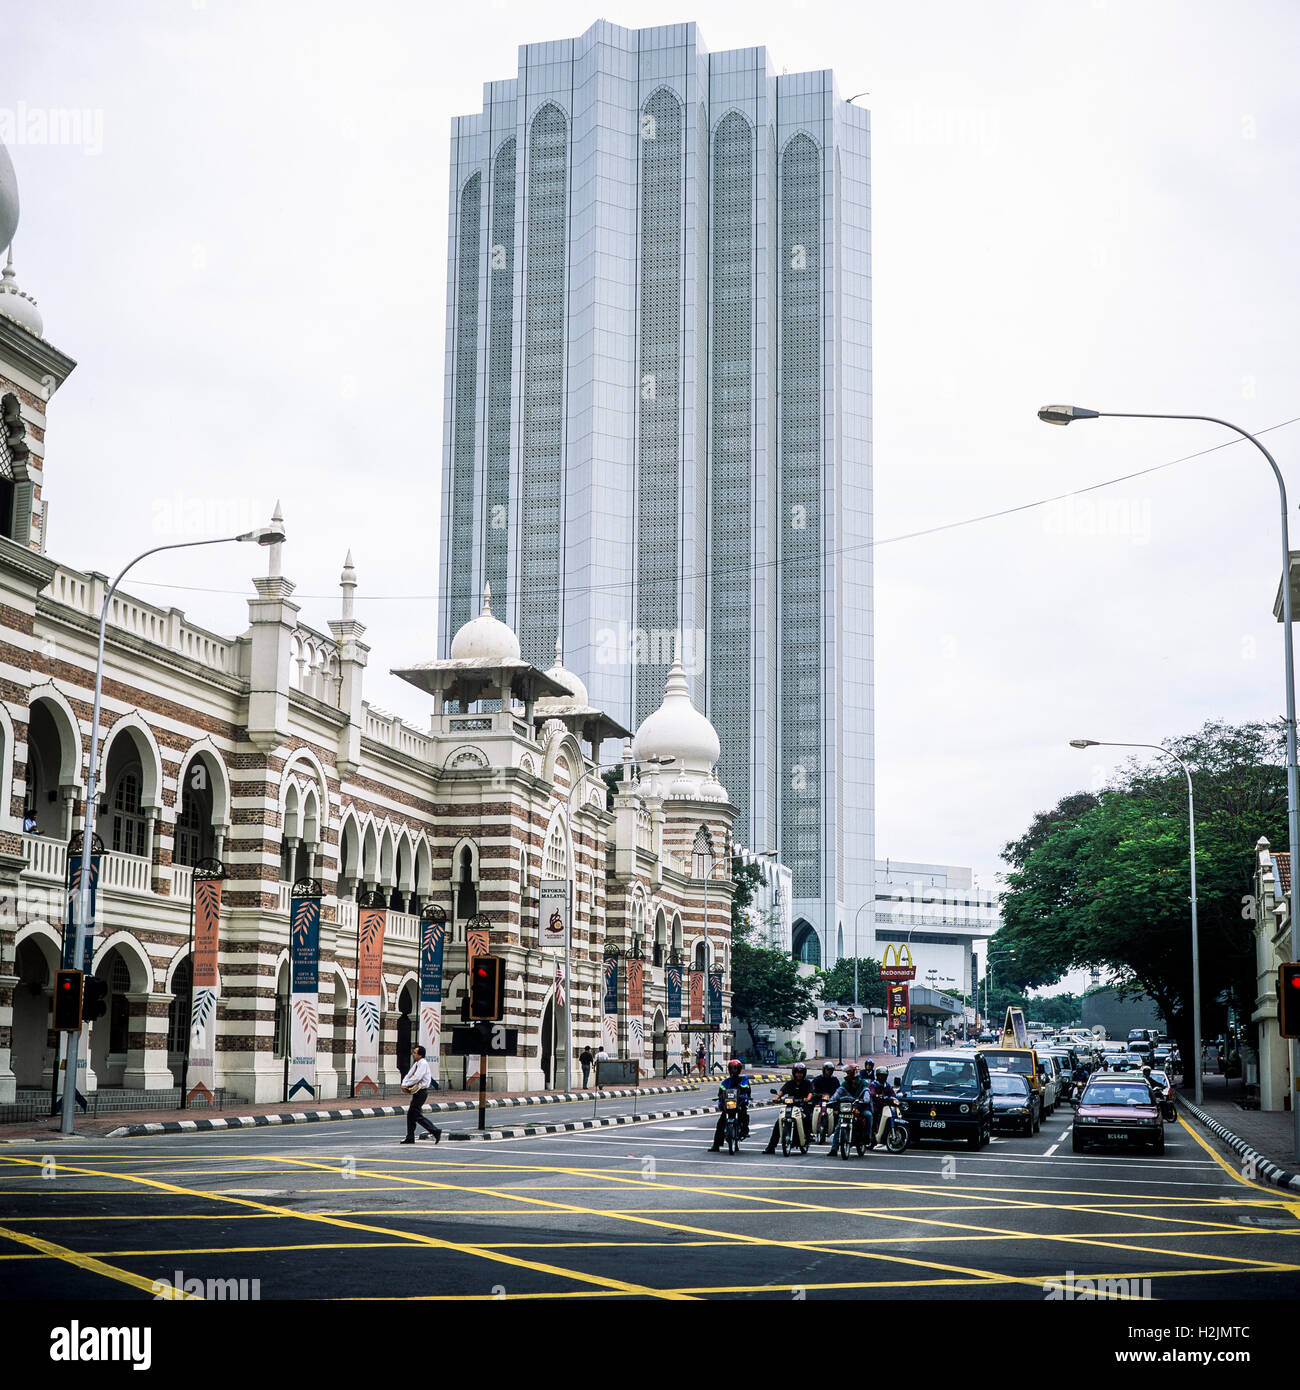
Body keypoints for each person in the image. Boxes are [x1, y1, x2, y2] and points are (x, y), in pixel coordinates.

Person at [763, 1062, 814, 1153]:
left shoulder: (807, 1083)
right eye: (797, 1072)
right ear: (794, 1073)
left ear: (804, 1073)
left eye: (801, 1072)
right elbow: (782, 1091)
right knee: (778, 1123)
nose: (799, 1074)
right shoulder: (790, 1083)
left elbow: (810, 1093)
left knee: (806, 1118)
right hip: (791, 1107)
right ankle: (771, 1147)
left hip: (802, 1106)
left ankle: (807, 1137)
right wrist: (776, 1098)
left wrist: (807, 1099)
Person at [398, 1044, 442, 1144]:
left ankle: (435, 1131)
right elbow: (409, 1074)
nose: (413, 1054)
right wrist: (404, 1084)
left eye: (415, 1053)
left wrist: (407, 1084)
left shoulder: (423, 1064)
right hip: (417, 1091)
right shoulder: (417, 1063)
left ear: (420, 1055)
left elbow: (417, 1077)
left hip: (421, 1092)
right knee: (411, 1114)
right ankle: (410, 1137)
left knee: (416, 1114)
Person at [827, 1063, 872, 1156]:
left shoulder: (863, 1083)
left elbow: (867, 1094)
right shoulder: (845, 1084)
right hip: (847, 1108)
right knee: (839, 1126)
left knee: (868, 1115)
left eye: (848, 1073)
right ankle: (834, 1149)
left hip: (860, 1108)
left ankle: (867, 1137)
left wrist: (864, 1100)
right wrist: (831, 1100)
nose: (846, 1075)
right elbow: (838, 1093)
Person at [708, 1058, 751, 1150]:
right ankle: (716, 1145)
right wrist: (721, 1096)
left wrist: (744, 1095)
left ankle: (744, 1131)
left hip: (739, 1104)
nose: (733, 1070)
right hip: (728, 1105)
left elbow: (746, 1089)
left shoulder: (744, 1079)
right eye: (732, 1068)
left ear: (739, 1069)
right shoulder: (726, 1082)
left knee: (743, 1115)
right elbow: (721, 1091)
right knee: (720, 1123)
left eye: (735, 1068)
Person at [868, 1068, 898, 1147]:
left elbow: (893, 1095)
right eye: (881, 1076)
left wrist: (895, 1100)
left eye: (885, 1076)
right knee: (874, 1116)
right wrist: (877, 1096)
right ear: (877, 1076)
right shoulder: (873, 1084)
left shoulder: (888, 1085)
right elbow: (872, 1093)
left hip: (885, 1107)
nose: (883, 1077)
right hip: (875, 1106)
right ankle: (872, 1134)